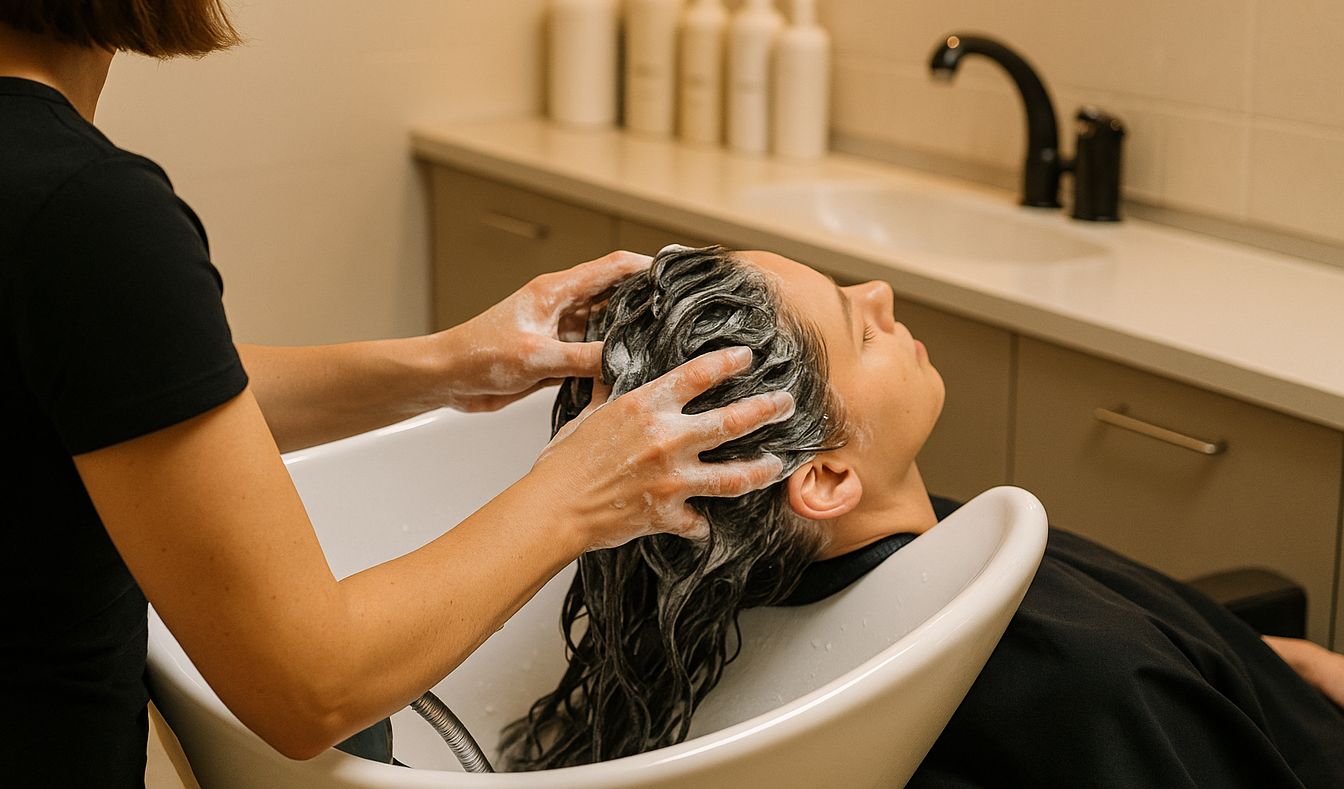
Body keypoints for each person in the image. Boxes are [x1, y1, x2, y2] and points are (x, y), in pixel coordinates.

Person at [0, 0, 793, 787]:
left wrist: (447, 363)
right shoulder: (82, 212)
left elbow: (117, 393)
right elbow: (309, 684)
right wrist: (579, 492)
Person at [503, 245, 1344, 788]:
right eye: (857, 331)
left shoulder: (708, 622)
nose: (880, 292)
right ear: (829, 476)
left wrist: (1258, 662)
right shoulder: (1095, 677)